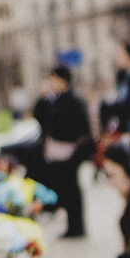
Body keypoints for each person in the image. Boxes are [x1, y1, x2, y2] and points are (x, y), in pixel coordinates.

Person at [29, 67, 94, 238]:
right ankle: (72, 225)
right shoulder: (55, 100)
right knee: (66, 189)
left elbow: (81, 127)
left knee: (72, 190)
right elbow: (41, 118)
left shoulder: (72, 101)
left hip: (69, 152)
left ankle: (76, 227)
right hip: (59, 152)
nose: (51, 84)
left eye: (53, 80)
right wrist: (42, 97)